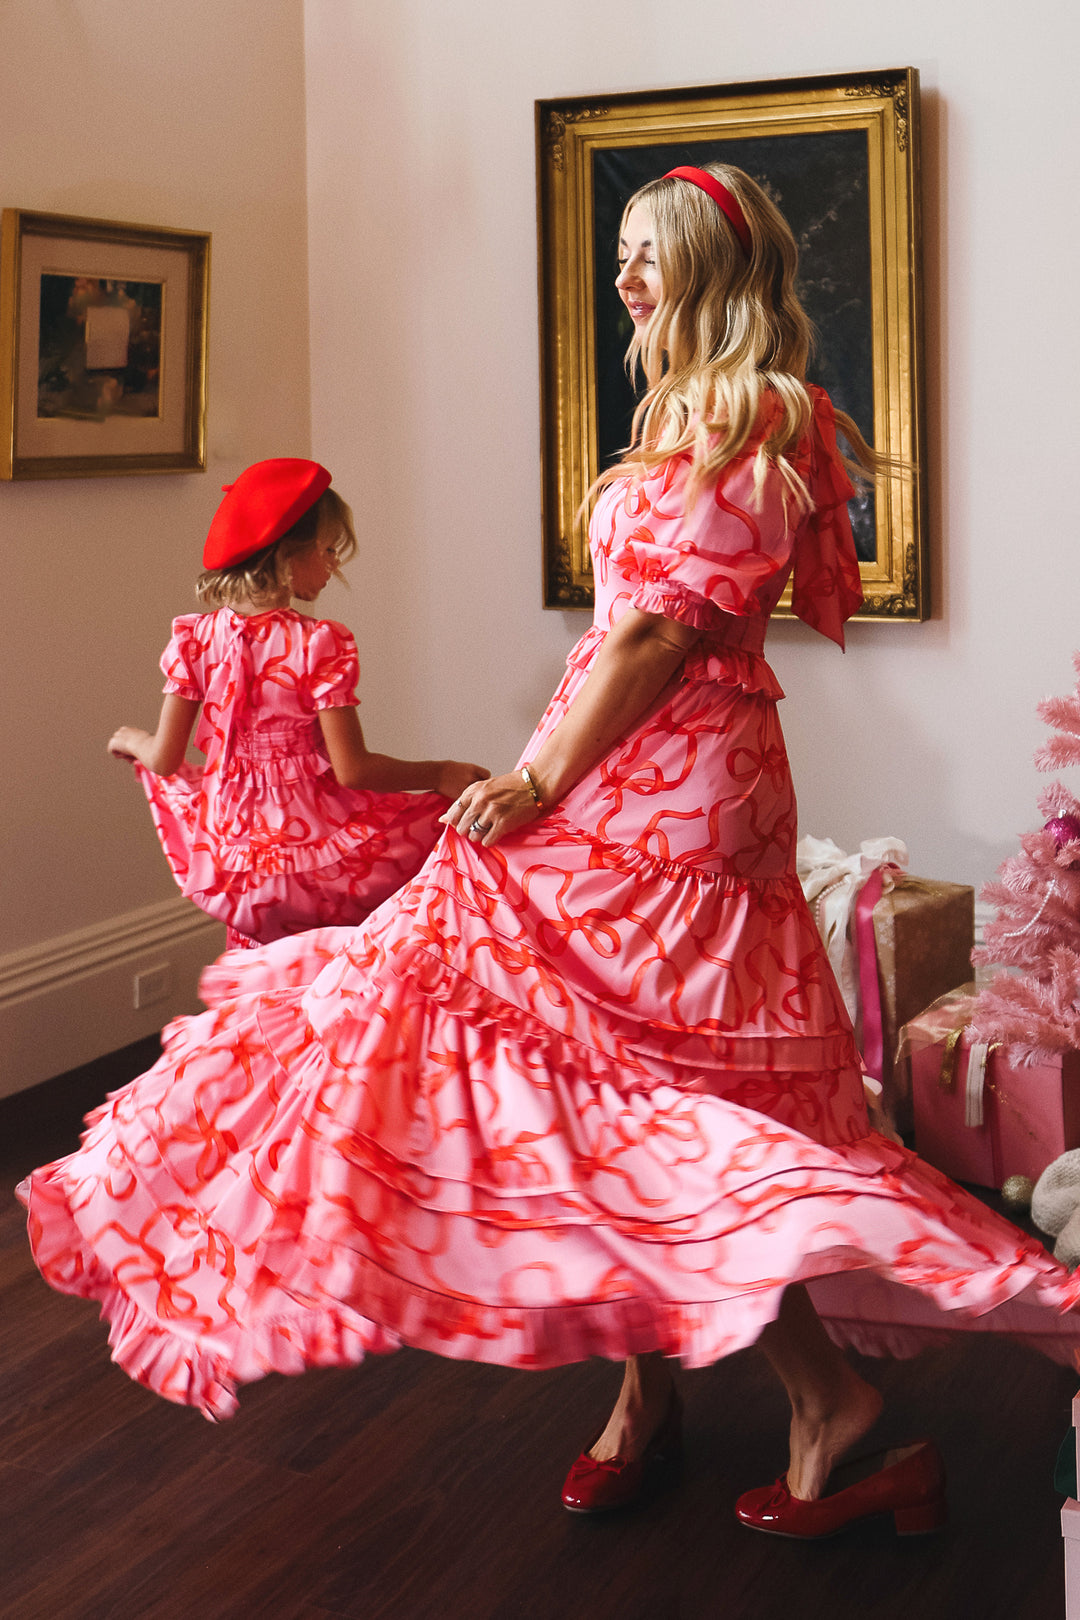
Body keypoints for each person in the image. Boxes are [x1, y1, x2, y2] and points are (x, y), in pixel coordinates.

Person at [20, 167, 1080, 1542]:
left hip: (671, 796)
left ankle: (817, 1398)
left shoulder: (743, 428)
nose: (625, 278)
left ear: (708, 271)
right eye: (622, 254)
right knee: (598, 1085)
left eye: (648, 258)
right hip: (649, 777)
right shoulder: (706, 420)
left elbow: (653, 636)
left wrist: (535, 777)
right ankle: (677, 1396)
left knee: (624, 1090)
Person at [107, 458, 487, 946]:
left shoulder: (195, 640)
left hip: (238, 866)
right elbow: (354, 770)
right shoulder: (318, 643)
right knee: (341, 960)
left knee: (261, 974)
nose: (333, 566)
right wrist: (438, 773)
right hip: (316, 865)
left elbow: (165, 759)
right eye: (327, 550)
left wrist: (135, 741)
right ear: (287, 555)